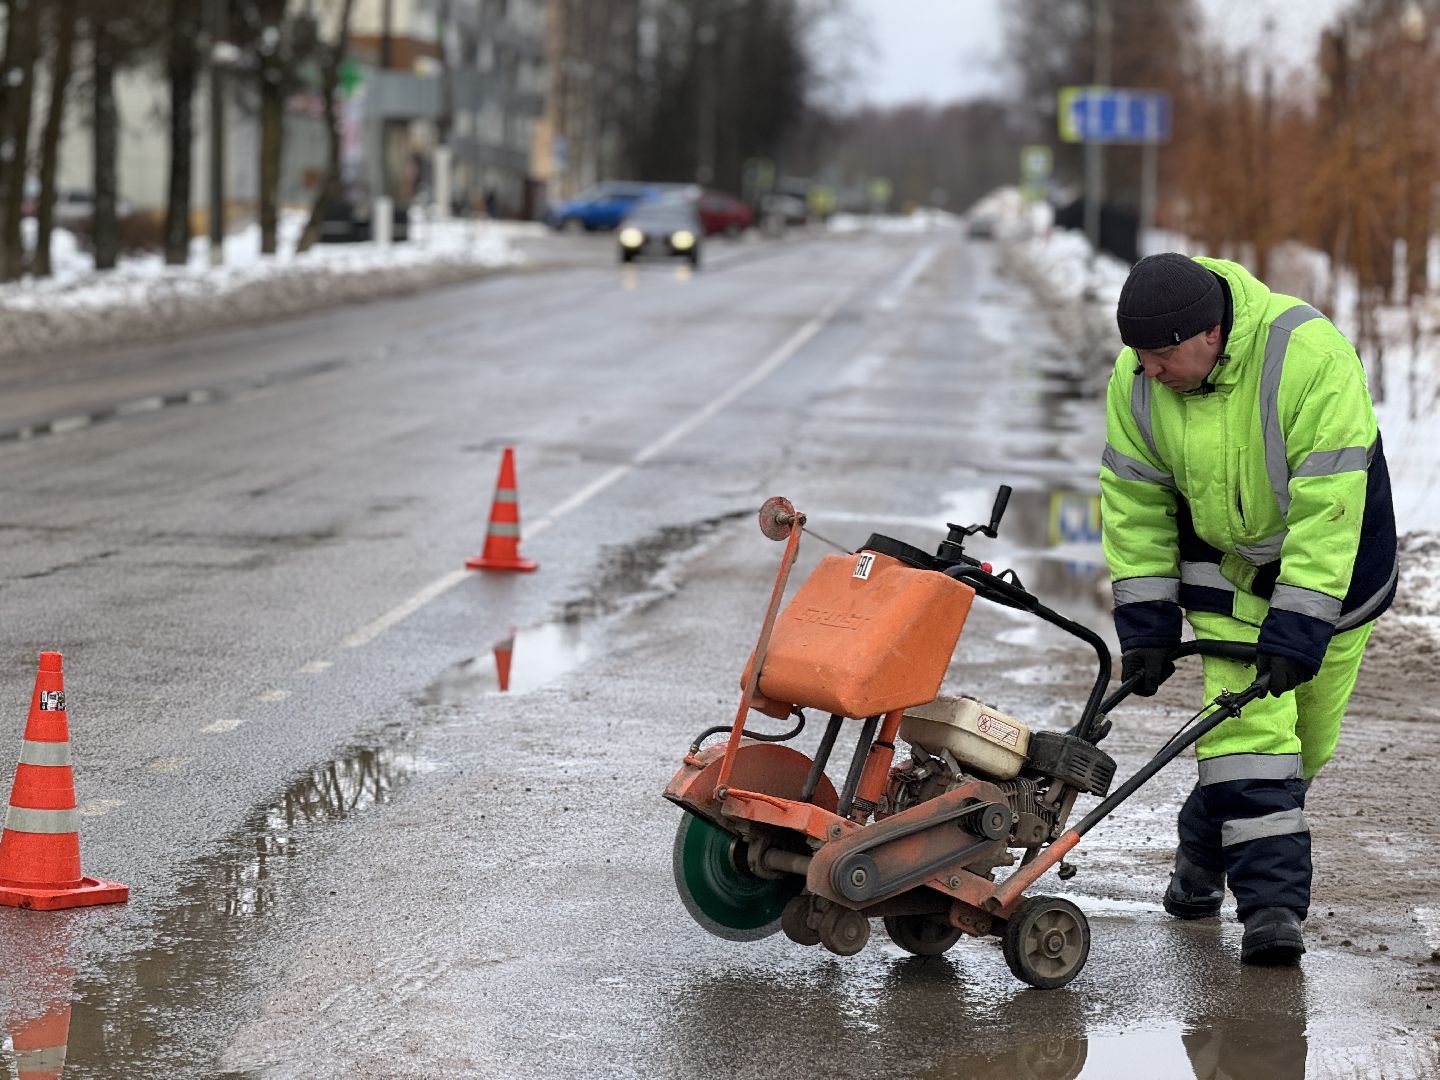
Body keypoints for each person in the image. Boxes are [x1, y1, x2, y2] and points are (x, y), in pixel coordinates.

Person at [1099, 253, 1398, 965]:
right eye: (1138, 356)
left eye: (1163, 354)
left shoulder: (1308, 356)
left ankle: (1202, 850)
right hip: (1226, 577)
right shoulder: (1138, 380)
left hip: (1334, 578)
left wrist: (1298, 627)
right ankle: (1271, 912)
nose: (1149, 370)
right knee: (1251, 743)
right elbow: (1135, 502)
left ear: (1211, 333)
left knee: (1306, 748)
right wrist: (1146, 625)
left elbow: (1330, 510)